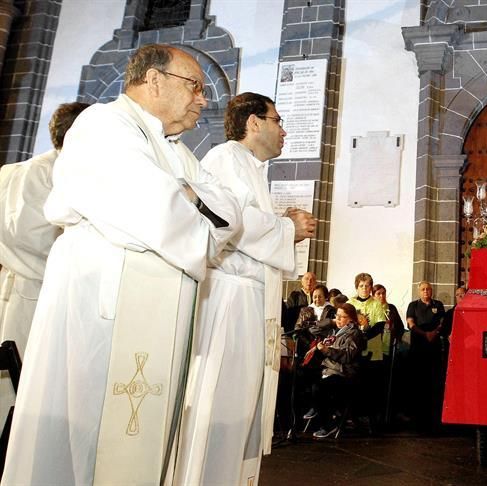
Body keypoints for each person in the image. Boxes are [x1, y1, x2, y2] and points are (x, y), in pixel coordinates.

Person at [1, 44, 242, 486]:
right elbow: (155, 210)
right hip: (103, 302)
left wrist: (187, 196)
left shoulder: (175, 150)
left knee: (134, 436)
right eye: (195, 87)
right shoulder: (102, 124)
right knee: (88, 431)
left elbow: (230, 213)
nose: (202, 101)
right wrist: (189, 200)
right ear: (154, 81)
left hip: (152, 298)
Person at [171, 91, 316, 485]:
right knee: (219, 402)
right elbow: (231, 221)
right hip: (229, 299)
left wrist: (281, 221)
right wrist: (288, 228)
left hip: (249, 300)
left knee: (239, 404)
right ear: (254, 123)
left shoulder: (248, 166)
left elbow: (247, 217)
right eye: (277, 120)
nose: (283, 129)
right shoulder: (226, 158)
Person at [0, 102, 88, 422]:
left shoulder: (11, 170)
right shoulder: (57, 175)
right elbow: (42, 239)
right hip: (41, 292)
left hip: (11, 287)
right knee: (28, 392)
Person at [307, 303, 366, 438]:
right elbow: (313, 330)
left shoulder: (354, 333)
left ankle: (328, 424)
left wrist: (327, 350)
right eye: (337, 316)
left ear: (351, 319)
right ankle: (315, 407)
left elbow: (346, 356)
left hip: (343, 373)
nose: (338, 319)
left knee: (319, 388)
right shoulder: (335, 330)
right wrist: (331, 321)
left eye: (342, 317)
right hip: (329, 368)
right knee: (303, 376)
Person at [347, 272, 389, 427]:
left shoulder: (376, 304)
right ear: (357, 287)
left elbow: (379, 326)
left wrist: (364, 336)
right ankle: (353, 417)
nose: (364, 288)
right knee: (354, 383)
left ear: (371, 287)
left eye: (367, 286)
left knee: (371, 385)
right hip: (354, 350)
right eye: (361, 286)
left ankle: (372, 419)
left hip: (372, 349)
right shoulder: (350, 303)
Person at [406, 281, 446, 433]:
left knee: (433, 382)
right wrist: (425, 334)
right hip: (418, 350)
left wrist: (434, 333)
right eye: (423, 289)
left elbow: (442, 322)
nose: (426, 291)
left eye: (428, 289)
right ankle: (416, 418)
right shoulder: (413, 305)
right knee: (418, 382)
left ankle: (434, 418)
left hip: (434, 350)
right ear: (418, 291)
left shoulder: (438, 304)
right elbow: (410, 322)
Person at [372, 283, 405, 424]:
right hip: (375, 349)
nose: (381, 296)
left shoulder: (391, 309)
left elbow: (401, 328)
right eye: (378, 293)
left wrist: (396, 336)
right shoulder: (372, 307)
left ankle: (390, 414)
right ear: (373, 295)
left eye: (383, 293)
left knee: (389, 381)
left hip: (389, 349)